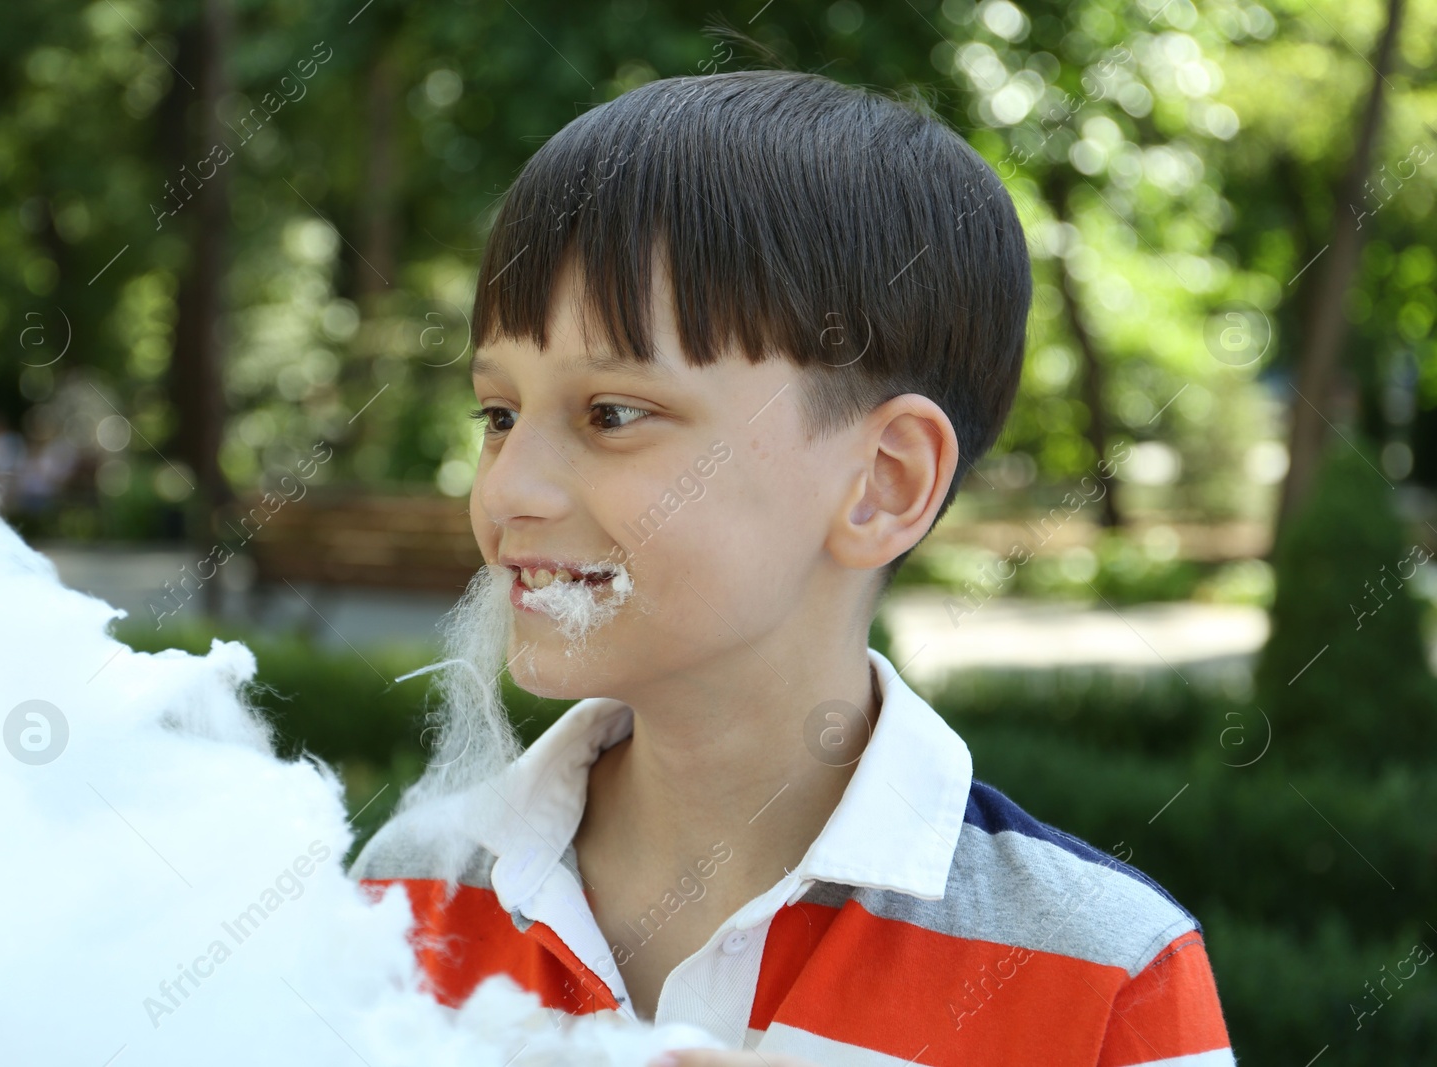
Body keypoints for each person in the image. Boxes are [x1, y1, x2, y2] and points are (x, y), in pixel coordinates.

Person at [348, 69, 1234, 1067]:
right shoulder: (409, 892)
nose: (508, 489)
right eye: (499, 416)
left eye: (612, 414)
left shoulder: (1101, 975)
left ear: (883, 484)